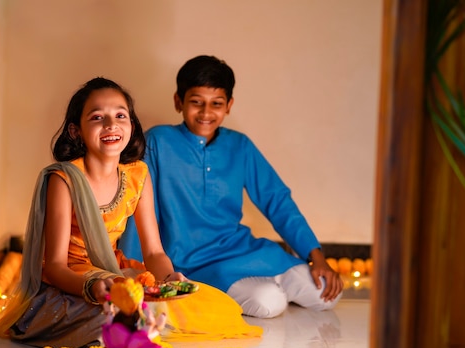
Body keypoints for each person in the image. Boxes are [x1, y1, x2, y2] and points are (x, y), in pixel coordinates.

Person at [0, 77, 261, 348]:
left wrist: (169, 280)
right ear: (76, 131)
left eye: (120, 115)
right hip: (73, 281)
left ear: (131, 126)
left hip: (114, 270)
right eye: (98, 117)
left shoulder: (137, 175)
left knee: (213, 304)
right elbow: (55, 266)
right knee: (120, 315)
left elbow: (154, 253)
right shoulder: (64, 179)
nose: (111, 125)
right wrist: (92, 287)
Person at [119, 56, 343, 319]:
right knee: (268, 303)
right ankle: (260, 290)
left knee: (328, 292)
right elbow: (138, 206)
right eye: (196, 102)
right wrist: (133, 273)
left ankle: (269, 287)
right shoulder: (158, 141)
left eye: (216, 104)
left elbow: (277, 201)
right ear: (178, 101)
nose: (205, 113)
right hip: (196, 262)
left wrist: (316, 257)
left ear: (229, 106)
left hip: (245, 250)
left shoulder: (240, 146)